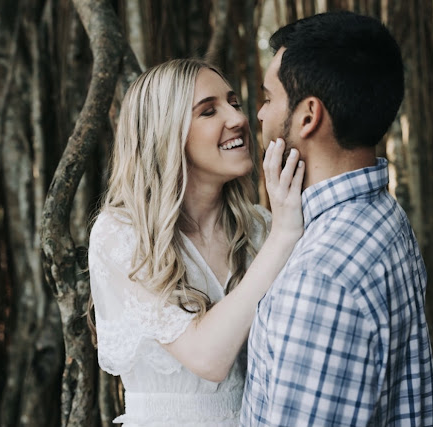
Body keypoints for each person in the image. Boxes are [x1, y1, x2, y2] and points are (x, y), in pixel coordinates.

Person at [241, 11, 433, 426]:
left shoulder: (319, 280)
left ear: (308, 116)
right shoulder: (385, 218)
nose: (257, 115)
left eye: (269, 98)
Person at [87, 58, 304, 426]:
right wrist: (284, 236)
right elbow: (208, 359)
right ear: (165, 133)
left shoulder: (258, 228)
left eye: (234, 103)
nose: (237, 119)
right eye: (208, 111)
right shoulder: (122, 234)